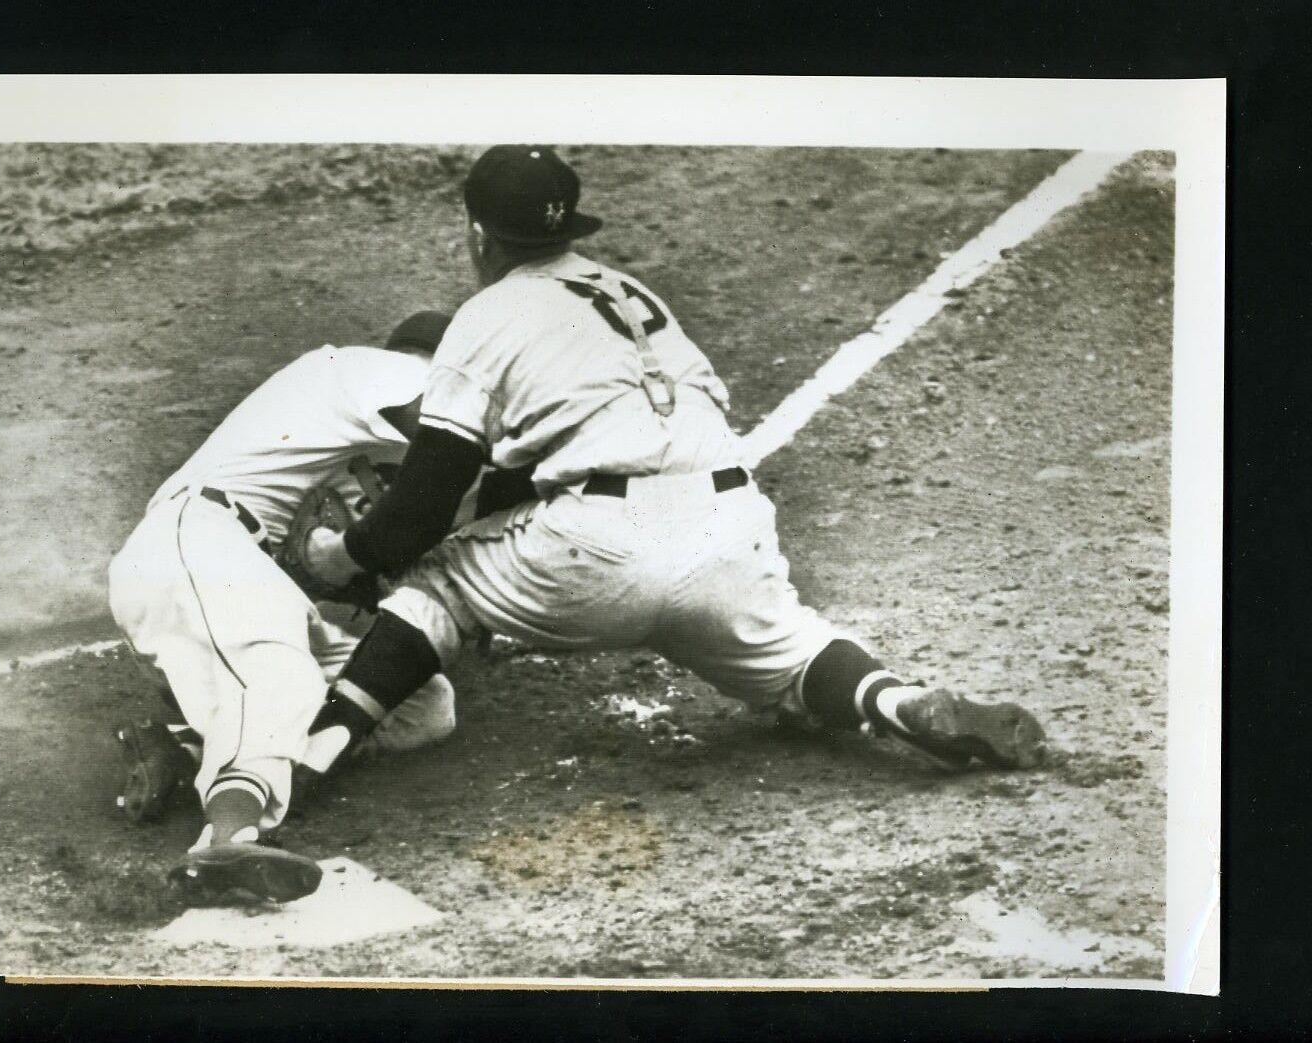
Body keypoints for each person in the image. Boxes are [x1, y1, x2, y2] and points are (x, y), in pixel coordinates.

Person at [283, 145, 1048, 897]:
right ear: (570, 227)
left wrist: (341, 557)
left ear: (478, 235)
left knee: (438, 583)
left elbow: (422, 503)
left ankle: (315, 752)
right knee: (795, 654)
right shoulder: (630, 292)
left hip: (603, 549)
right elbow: (534, 466)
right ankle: (897, 701)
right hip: (729, 524)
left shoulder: (484, 317)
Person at [108, 312, 466, 904]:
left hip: (236, 569)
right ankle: (225, 839)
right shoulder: (373, 367)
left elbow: (375, 546)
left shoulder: (351, 440)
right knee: (281, 675)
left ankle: (182, 746)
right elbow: (448, 439)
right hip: (196, 539)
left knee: (422, 703)